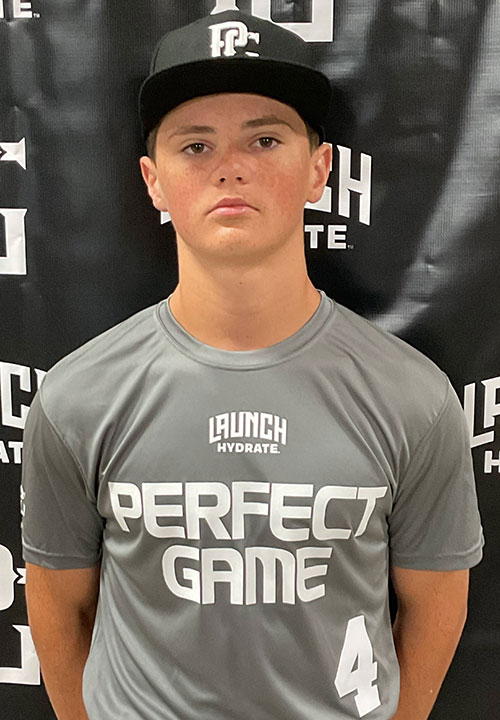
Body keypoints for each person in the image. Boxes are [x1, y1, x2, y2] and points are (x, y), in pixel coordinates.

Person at [21, 9, 483, 720]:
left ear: (319, 170)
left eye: (265, 139)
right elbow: (58, 608)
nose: (230, 166)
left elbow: (434, 605)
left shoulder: (412, 397)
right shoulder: (76, 397)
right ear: (153, 181)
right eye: (195, 145)